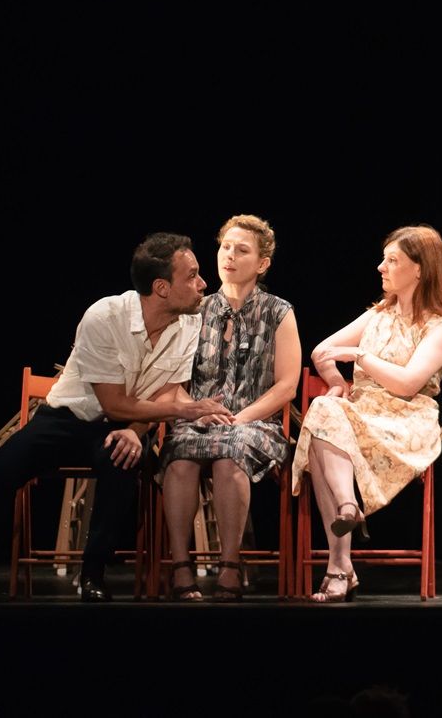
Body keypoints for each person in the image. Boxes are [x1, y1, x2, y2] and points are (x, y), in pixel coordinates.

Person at [0, 233, 231, 601]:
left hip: (125, 424)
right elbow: (114, 403)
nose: (203, 283)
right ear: (161, 287)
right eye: (192, 275)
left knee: (121, 462)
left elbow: (165, 391)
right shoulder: (105, 317)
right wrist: (187, 409)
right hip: (67, 418)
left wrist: (135, 431)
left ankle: (92, 576)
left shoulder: (189, 323)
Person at [289, 224, 442, 602]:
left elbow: (407, 384)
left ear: (419, 269)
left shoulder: (440, 327)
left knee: (323, 426)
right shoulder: (378, 315)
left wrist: (361, 356)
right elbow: (321, 351)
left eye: (392, 260)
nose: (381, 267)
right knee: (324, 411)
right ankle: (347, 511)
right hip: (361, 413)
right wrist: (337, 383)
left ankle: (340, 565)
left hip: (405, 420)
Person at [157, 215, 300, 601]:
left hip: (256, 424)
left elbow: (287, 385)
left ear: (262, 263)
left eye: (242, 250)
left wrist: (241, 418)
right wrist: (196, 410)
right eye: (225, 247)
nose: (229, 256)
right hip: (198, 420)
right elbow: (172, 382)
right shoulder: (195, 311)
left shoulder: (278, 312)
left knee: (229, 453)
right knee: (180, 455)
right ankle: (181, 565)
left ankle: (230, 565)